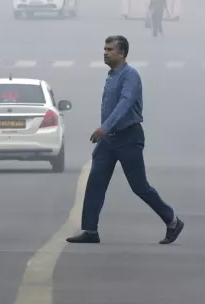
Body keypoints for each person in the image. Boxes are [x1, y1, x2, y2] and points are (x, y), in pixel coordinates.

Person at [67, 35, 184, 245]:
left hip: (128, 137)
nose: (105, 52)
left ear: (122, 53)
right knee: (95, 183)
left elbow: (125, 102)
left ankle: (172, 221)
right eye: (104, 48)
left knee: (139, 187)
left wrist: (105, 127)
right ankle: (90, 230)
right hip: (109, 141)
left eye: (110, 49)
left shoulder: (130, 75)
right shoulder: (112, 75)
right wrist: (106, 132)